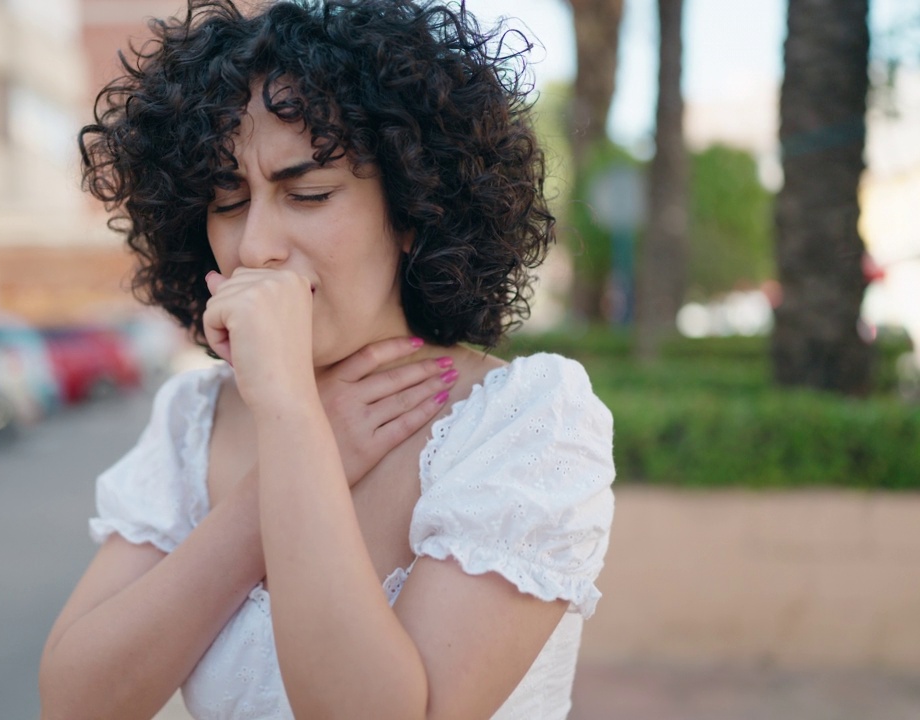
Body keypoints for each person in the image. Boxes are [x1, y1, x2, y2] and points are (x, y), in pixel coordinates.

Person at [39, 1, 615, 718]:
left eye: (307, 194)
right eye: (226, 201)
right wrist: (301, 447)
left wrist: (286, 412)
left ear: (411, 209)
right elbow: (76, 702)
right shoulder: (194, 416)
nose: (256, 248)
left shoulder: (526, 420)